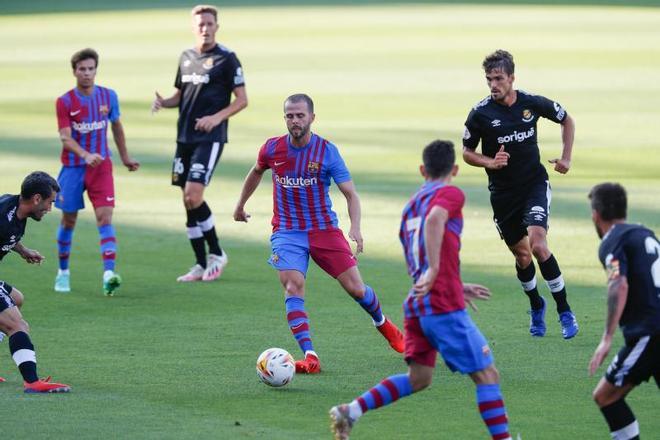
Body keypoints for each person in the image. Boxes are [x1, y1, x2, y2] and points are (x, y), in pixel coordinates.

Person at [330, 140, 511, 440]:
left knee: (420, 378)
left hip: (418, 302)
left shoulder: (409, 207)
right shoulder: (450, 193)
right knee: (487, 375)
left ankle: (351, 411)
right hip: (441, 305)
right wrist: (438, 273)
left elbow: (417, 255)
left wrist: (451, 281)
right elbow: (435, 220)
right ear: (454, 169)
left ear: (421, 170)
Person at [233, 93, 404, 374]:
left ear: (312, 117)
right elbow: (255, 171)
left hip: (324, 229)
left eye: (300, 115)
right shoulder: (272, 149)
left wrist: (355, 227)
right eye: (290, 115)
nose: (295, 120)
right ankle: (310, 355)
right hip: (287, 230)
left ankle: (383, 324)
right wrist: (240, 205)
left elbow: (350, 193)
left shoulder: (327, 152)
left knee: (356, 289)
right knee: (293, 285)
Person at [462, 49, 579, 339]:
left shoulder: (531, 103)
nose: (493, 85)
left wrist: (566, 158)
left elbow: (567, 120)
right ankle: (536, 304)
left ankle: (564, 311)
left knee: (539, 245)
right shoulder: (480, 114)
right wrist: (489, 162)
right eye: (489, 79)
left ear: (512, 78)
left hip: (534, 185)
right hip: (503, 196)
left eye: (499, 78)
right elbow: (465, 151)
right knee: (523, 256)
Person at [152, 4, 248, 282]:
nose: (205, 28)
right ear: (194, 28)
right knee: (187, 200)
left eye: (209, 23)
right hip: (184, 138)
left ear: (217, 26)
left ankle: (217, 253)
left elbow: (242, 100)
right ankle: (199, 263)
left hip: (210, 138)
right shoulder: (186, 57)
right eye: (200, 24)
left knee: (194, 195)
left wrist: (216, 118)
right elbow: (180, 96)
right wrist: (163, 102)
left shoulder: (227, 59)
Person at [54, 48, 140, 296]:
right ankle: (63, 272)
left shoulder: (109, 96)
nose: (87, 73)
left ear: (96, 70)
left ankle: (108, 274)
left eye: (91, 69)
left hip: (101, 167)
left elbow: (117, 127)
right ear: (74, 71)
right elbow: (65, 137)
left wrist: (125, 157)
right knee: (69, 220)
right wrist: (85, 155)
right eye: (82, 69)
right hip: (73, 168)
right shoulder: (65, 101)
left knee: (105, 218)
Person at [588, 183, 659, 440]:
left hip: (650, 332)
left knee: (605, 396)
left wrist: (607, 338)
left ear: (596, 214)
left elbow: (619, 283)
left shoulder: (612, 241)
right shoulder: (646, 234)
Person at [0, 172, 71, 393]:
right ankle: (32, 381)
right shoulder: (3, 217)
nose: (50, 209)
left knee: (16, 299)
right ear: (37, 198)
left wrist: (23, 251)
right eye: (50, 203)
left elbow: (8, 237)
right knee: (17, 326)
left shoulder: (13, 207)